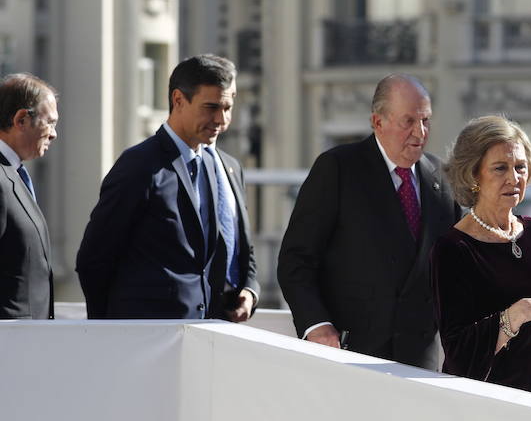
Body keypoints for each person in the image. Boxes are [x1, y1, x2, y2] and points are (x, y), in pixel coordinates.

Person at [277, 74, 459, 370]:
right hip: (349, 353)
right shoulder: (338, 168)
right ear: (378, 122)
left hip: (418, 360)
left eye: (426, 120)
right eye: (408, 121)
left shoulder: (442, 176)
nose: (420, 132)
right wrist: (316, 325)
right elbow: (296, 260)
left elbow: (458, 267)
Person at [76, 55, 259, 320]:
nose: (221, 119)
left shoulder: (212, 163)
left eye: (227, 108)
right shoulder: (139, 165)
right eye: (211, 107)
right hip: (145, 337)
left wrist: (248, 292)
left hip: (205, 334)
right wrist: (110, 331)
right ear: (178, 101)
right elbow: (94, 258)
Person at [430, 115, 531, 399]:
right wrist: (519, 312)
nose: (514, 178)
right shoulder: (452, 248)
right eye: (500, 168)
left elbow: (529, 316)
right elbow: (458, 352)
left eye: (520, 167)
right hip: (483, 403)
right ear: (473, 175)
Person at [0, 73, 58, 319]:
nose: (54, 134)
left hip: (28, 342)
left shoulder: (13, 174)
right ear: (21, 119)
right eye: (50, 123)